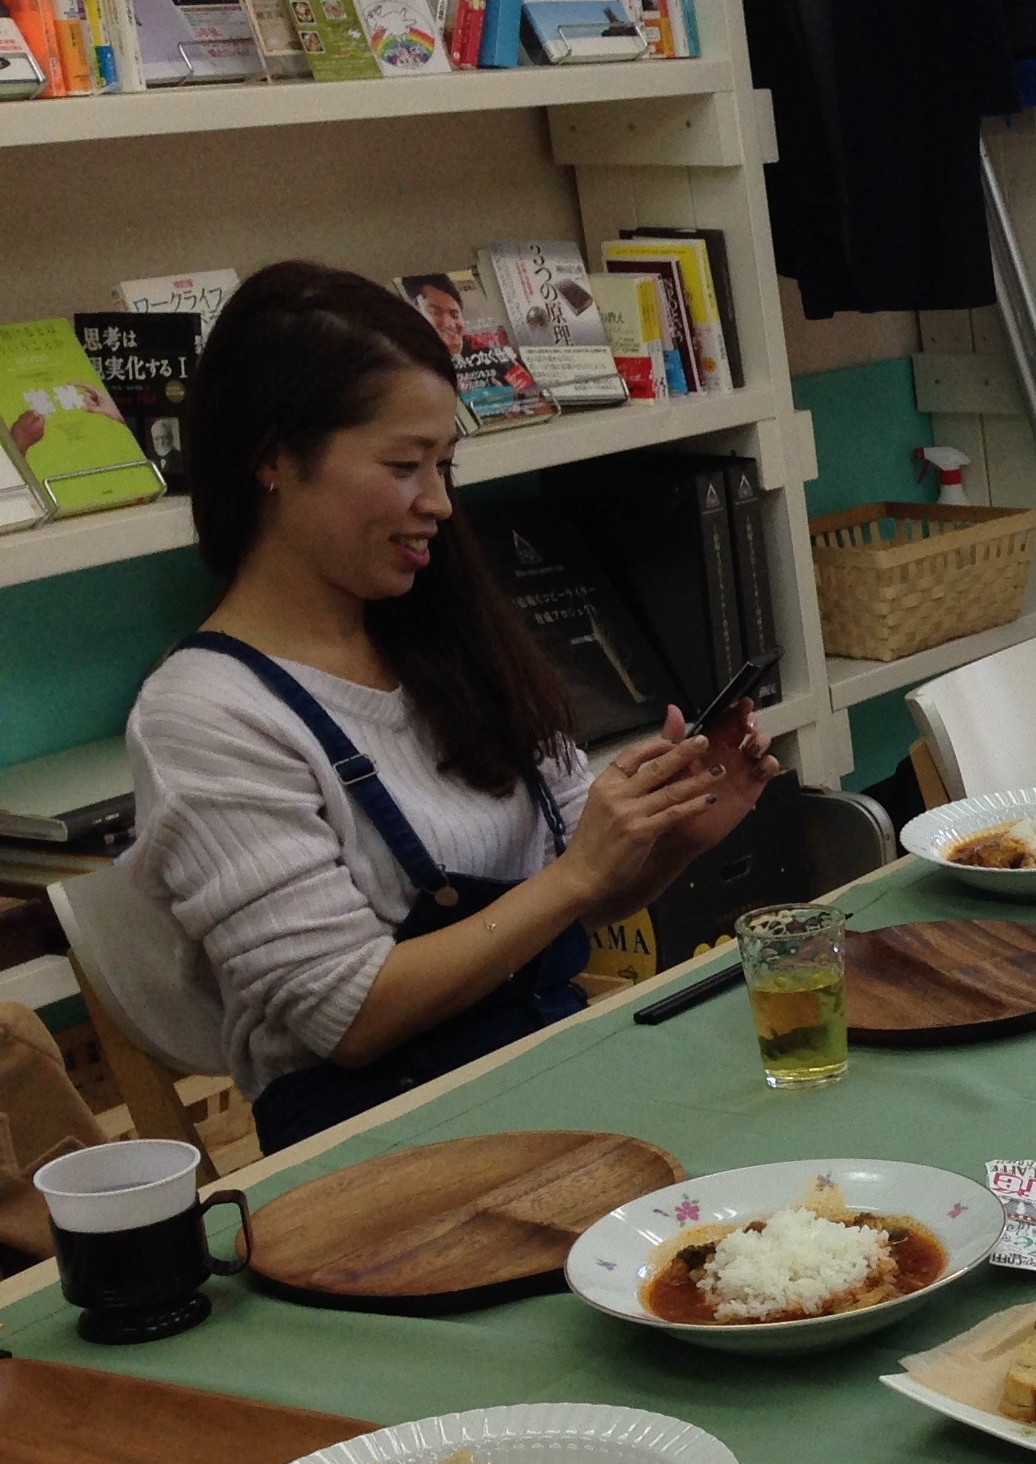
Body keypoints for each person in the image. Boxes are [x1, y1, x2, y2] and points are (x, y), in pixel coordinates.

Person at [125, 261, 774, 1153]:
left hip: (547, 1077)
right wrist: (580, 873)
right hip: (382, 1155)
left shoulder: (448, 639)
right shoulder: (205, 716)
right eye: (403, 466)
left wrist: (671, 837)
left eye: (445, 465)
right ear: (271, 457)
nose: (437, 503)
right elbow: (346, 1015)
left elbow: (564, 908)